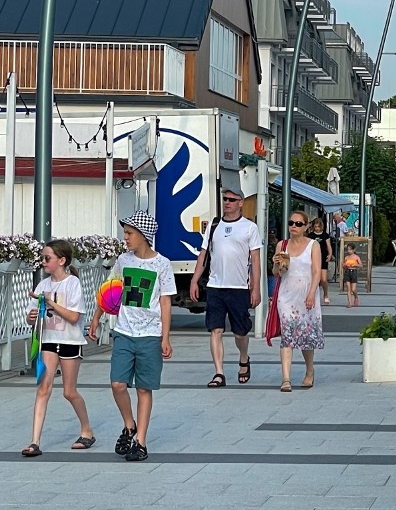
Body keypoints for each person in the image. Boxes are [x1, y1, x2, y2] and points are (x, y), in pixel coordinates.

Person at [88, 211, 176, 462]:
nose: (125, 238)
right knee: (117, 384)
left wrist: (165, 337)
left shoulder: (162, 264)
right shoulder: (123, 261)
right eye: (125, 233)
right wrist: (97, 316)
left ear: (144, 236)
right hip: (124, 332)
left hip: (150, 334)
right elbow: (110, 290)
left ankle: (141, 441)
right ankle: (129, 425)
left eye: (129, 233)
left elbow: (165, 302)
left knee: (144, 389)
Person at [21, 240, 93, 458]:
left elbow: (73, 317)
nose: (43, 262)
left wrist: (50, 303)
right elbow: (30, 317)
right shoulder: (43, 285)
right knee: (43, 388)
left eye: (47, 258)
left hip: (70, 341)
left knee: (69, 392)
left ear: (62, 261)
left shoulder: (72, 284)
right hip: (48, 340)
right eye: (42, 257)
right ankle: (34, 441)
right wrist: (32, 317)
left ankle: (86, 430)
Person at [190, 187, 262, 388]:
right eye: (225, 199)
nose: (227, 202)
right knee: (216, 329)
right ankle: (219, 373)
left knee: (240, 332)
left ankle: (244, 358)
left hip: (239, 287)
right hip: (215, 286)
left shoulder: (249, 228)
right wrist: (194, 280)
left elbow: (255, 261)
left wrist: (255, 289)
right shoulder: (214, 226)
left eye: (232, 199)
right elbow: (203, 255)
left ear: (241, 203)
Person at [272, 210, 324, 392]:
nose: (293, 226)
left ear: (306, 227)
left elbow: (317, 271)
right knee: (287, 335)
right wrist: (277, 264)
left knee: (306, 336)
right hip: (286, 295)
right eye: (291, 223)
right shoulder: (282, 245)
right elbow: (276, 273)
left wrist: (311, 294)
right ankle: (286, 378)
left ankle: (310, 371)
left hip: (306, 293)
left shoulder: (313, 245)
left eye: (298, 224)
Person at [307, 218, 333, 305]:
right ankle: (313, 294)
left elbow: (328, 246)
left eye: (318, 227)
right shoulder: (310, 236)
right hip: (313, 258)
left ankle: (325, 294)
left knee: (324, 279)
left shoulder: (325, 235)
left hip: (323, 257)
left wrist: (330, 254)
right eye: (315, 227)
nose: (317, 228)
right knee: (314, 278)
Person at [341, 243, 363, 308]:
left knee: (353, 289)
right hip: (347, 272)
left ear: (353, 250)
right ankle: (349, 303)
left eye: (350, 250)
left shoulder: (356, 257)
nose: (349, 251)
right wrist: (344, 266)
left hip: (354, 272)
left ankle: (356, 297)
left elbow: (361, 265)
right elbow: (344, 266)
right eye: (348, 250)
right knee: (348, 288)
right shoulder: (346, 257)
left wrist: (356, 265)